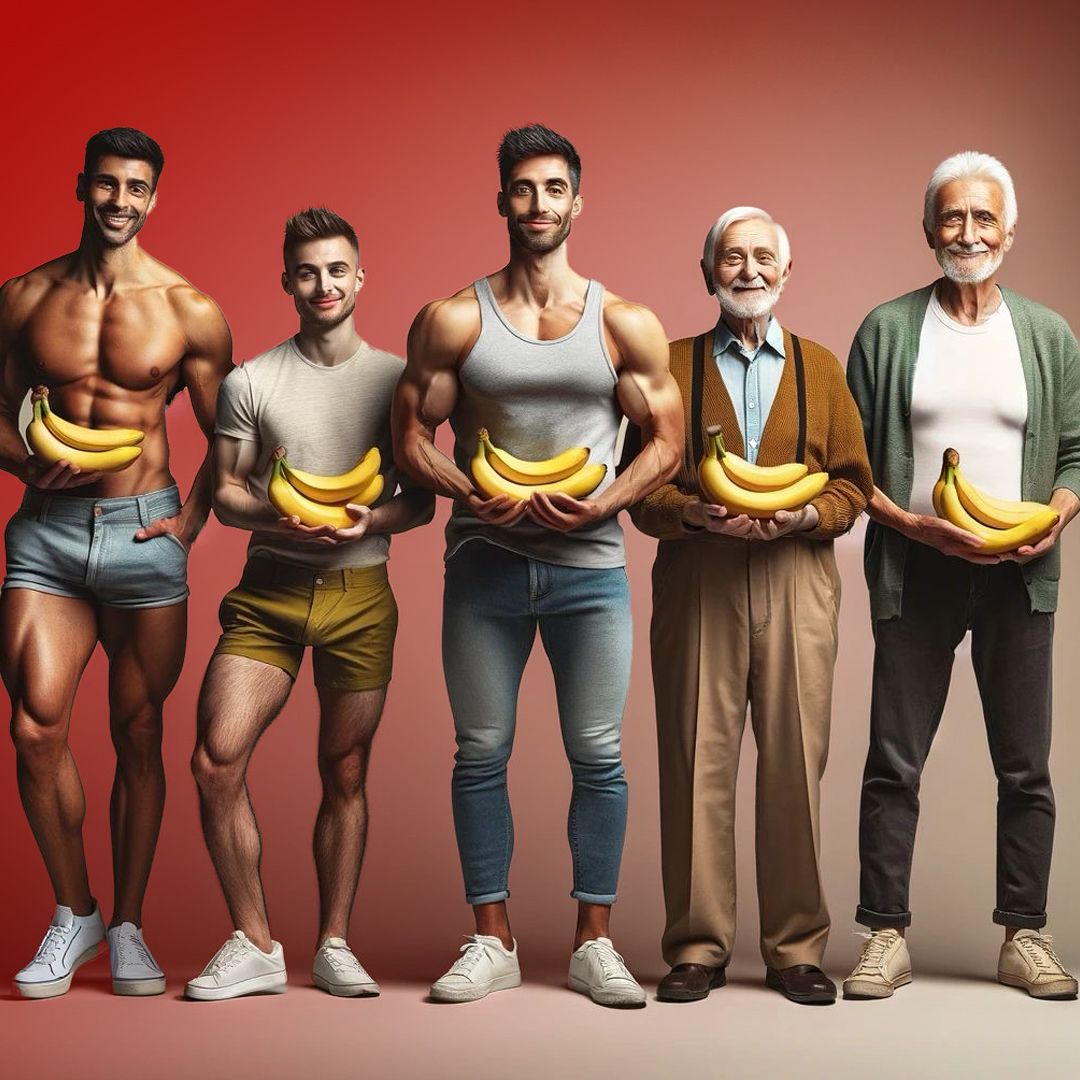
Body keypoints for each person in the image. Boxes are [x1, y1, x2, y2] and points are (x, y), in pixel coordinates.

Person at [393, 124, 682, 1007]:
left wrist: (607, 500)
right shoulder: (455, 319)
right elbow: (409, 435)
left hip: (590, 568)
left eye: (553, 189)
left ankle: (594, 940)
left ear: (576, 202)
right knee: (480, 752)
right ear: (502, 202)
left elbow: (666, 444)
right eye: (522, 189)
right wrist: (461, 489)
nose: (538, 205)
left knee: (599, 755)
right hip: (484, 563)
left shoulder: (623, 322)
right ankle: (493, 939)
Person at [0, 128, 232, 999]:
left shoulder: (188, 309)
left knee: (138, 736)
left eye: (136, 188)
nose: (120, 201)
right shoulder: (23, 297)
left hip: (143, 533)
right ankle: (75, 912)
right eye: (106, 185)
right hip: (47, 530)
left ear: (154, 197)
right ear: (82, 188)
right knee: (35, 726)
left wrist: (188, 525)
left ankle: (128, 925)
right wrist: (24, 462)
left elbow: (229, 437)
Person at [844, 152, 1080, 1001]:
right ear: (928, 231)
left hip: (1022, 574)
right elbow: (849, 461)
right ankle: (884, 935)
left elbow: (1079, 457)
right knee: (893, 761)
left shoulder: (1048, 335)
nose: (969, 233)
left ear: (1009, 230)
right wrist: (910, 524)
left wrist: (1053, 515)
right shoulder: (888, 329)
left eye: (985, 219)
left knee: (1026, 768)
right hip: (917, 569)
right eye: (953, 218)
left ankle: (1025, 934)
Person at [185, 208, 433, 1001]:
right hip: (269, 596)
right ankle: (254, 940)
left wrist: (374, 518)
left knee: (345, 769)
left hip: (362, 597)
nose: (322, 285)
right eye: (306, 272)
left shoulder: (398, 380)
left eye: (336, 270)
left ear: (360, 278)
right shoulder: (250, 381)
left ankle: (334, 942)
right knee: (215, 758)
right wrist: (271, 513)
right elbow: (225, 489)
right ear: (286, 280)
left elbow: (422, 500)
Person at [629, 207, 871, 1006]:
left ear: (786, 273)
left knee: (796, 759)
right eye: (732, 258)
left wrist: (808, 516)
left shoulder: (822, 367)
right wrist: (690, 512)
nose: (748, 270)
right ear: (709, 274)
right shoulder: (668, 365)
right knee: (695, 755)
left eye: (764, 257)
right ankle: (696, 945)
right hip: (698, 572)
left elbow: (851, 483)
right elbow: (643, 487)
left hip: (798, 574)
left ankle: (796, 947)